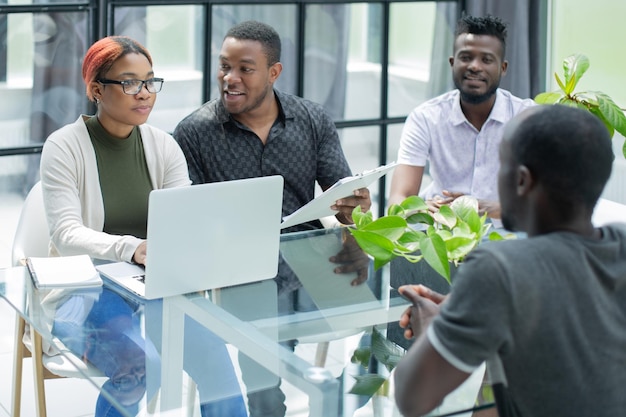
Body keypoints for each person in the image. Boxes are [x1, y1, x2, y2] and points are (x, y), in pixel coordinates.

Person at [39, 36, 247, 417]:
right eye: (130, 82)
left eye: (151, 81)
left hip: (154, 286)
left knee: (218, 364)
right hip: (84, 290)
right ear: (96, 89)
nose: (145, 93)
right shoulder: (64, 146)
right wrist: (131, 247)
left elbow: (183, 220)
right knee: (141, 366)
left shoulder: (163, 146)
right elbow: (65, 234)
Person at [173, 20, 372, 417]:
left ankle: (342, 404)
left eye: (245, 68)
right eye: (224, 66)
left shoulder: (312, 120)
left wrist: (357, 223)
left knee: (392, 315)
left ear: (273, 72)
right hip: (239, 272)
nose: (230, 78)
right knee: (266, 378)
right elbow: (187, 223)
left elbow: (345, 196)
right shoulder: (193, 133)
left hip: (312, 261)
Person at [393, 104, 626, 417]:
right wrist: (470, 305)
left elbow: (412, 400)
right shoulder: (620, 241)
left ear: (521, 181)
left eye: (500, 164)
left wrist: (432, 327)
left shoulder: (499, 269)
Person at [388, 14, 535, 218]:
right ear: (452, 63)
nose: (475, 66)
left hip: (507, 237)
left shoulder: (527, 117)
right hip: (442, 233)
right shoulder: (425, 118)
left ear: (503, 68)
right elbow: (398, 198)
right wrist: (420, 209)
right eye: (466, 57)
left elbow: (548, 202)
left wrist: (485, 208)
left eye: (486, 59)